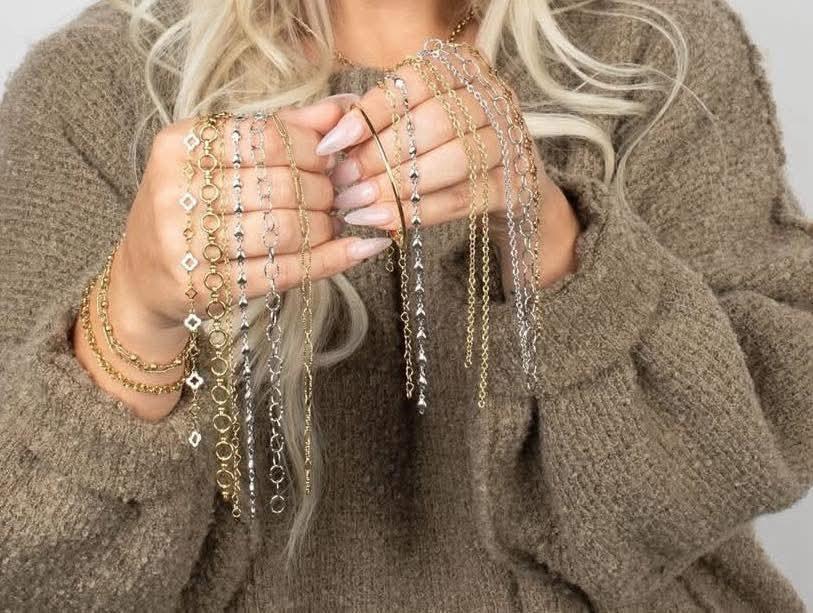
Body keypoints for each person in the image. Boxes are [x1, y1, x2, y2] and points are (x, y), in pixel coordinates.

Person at [0, 0, 810, 610]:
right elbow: (32, 571)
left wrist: (554, 242)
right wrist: (134, 313)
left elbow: (733, 465)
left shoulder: (654, 51)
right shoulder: (95, 89)